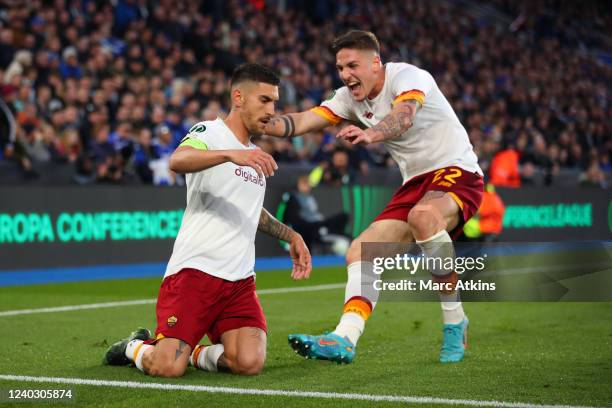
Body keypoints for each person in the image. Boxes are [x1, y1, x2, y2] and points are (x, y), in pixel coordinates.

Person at [264, 30, 483, 364]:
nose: (345, 75)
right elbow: (304, 120)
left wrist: (372, 133)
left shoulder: (408, 76)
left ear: (376, 63)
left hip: (456, 170)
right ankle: (344, 338)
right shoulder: (347, 98)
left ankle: (455, 322)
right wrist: (260, 122)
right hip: (415, 183)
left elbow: (404, 115)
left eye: (352, 65)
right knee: (360, 252)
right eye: (340, 68)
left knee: (423, 218)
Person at [103, 63, 312, 377]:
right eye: (265, 100)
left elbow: (251, 211)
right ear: (238, 97)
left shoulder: (253, 154)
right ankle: (134, 347)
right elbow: (178, 160)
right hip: (195, 273)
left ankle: (191, 352)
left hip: (239, 282)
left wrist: (290, 235)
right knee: (166, 368)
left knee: (249, 362)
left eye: (275, 102)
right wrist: (230, 154)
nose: (272, 110)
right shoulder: (210, 132)